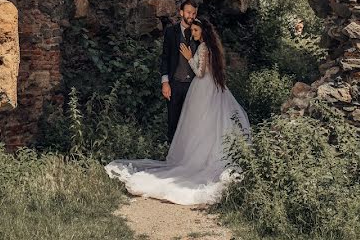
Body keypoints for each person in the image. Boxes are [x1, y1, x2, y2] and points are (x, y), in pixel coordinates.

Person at [105, 17, 252, 205]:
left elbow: (200, 73)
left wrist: (190, 58)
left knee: (200, 124)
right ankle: (205, 155)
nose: (194, 33)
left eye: (196, 31)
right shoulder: (211, 47)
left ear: (204, 32)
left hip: (203, 88)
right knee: (208, 125)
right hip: (212, 88)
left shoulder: (203, 47)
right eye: (193, 31)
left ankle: (198, 159)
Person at [159, 0, 199, 143]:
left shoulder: (198, 33)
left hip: (194, 85)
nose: (191, 16)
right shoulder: (171, 32)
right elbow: (165, 58)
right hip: (175, 83)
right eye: (188, 12)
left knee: (192, 123)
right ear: (181, 12)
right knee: (173, 121)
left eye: (194, 13)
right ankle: (171, 155)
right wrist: (165, 83)